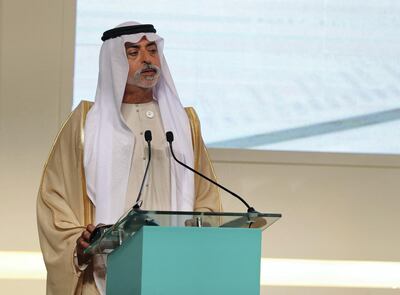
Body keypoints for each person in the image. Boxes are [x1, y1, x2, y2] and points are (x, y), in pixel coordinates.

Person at [37, 21, 221, 294]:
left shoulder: (183, 123)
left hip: (172, 269)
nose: (147, 60)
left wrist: (200, 234)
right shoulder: (87, 123)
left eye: (151, 50)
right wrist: (78, 242)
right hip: (104, 274)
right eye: (133, 53)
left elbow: (207, 198)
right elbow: (54, 199)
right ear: (113, 62)